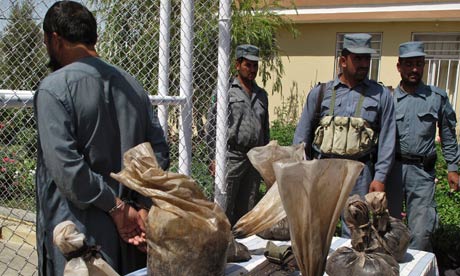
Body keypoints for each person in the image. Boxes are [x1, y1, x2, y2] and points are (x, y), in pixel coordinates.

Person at [34, 1, 170, 275]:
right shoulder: (132, 86)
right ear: (93, 38)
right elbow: (159, 152)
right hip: (132, 235)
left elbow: (68, 169)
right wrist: (140, 208)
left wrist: (117, 208)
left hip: (79, 238)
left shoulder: (53, 89)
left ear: (55, 40)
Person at [293, 33, 396, 237]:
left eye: (367, 58)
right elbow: (301, 138)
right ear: (342, 61)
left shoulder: (381, 95)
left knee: (357, 233)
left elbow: (387, 140)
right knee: (319, 230)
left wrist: (380, 177)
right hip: (324, 172)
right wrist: (299, 173)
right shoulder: (321, 93)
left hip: (360, 174)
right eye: (357, 58)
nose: (364, 64)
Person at [386, 41, 460, 252]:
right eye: (409, 64)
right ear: (399, 66)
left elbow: (447, 133)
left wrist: (452, 168)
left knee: (422, 232)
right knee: (389, 227)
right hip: (393, 171)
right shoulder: (388, 99)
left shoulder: (436, 98)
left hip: (422, 173)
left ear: (424, 65)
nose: (414, 69)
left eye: (419, 64)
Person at [206, 44, 270, 226]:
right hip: (230, 156)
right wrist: (213, 158)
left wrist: (264, 159)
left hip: (253, 158)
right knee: (223, 207)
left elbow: (265, 130)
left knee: (248, 210)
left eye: (255, 66)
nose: (252, 70)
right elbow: (212, 126)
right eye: (247, 65)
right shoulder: (225, 91)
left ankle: (243, 247)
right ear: (237, 65)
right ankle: (221, 248)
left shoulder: (262, 95)